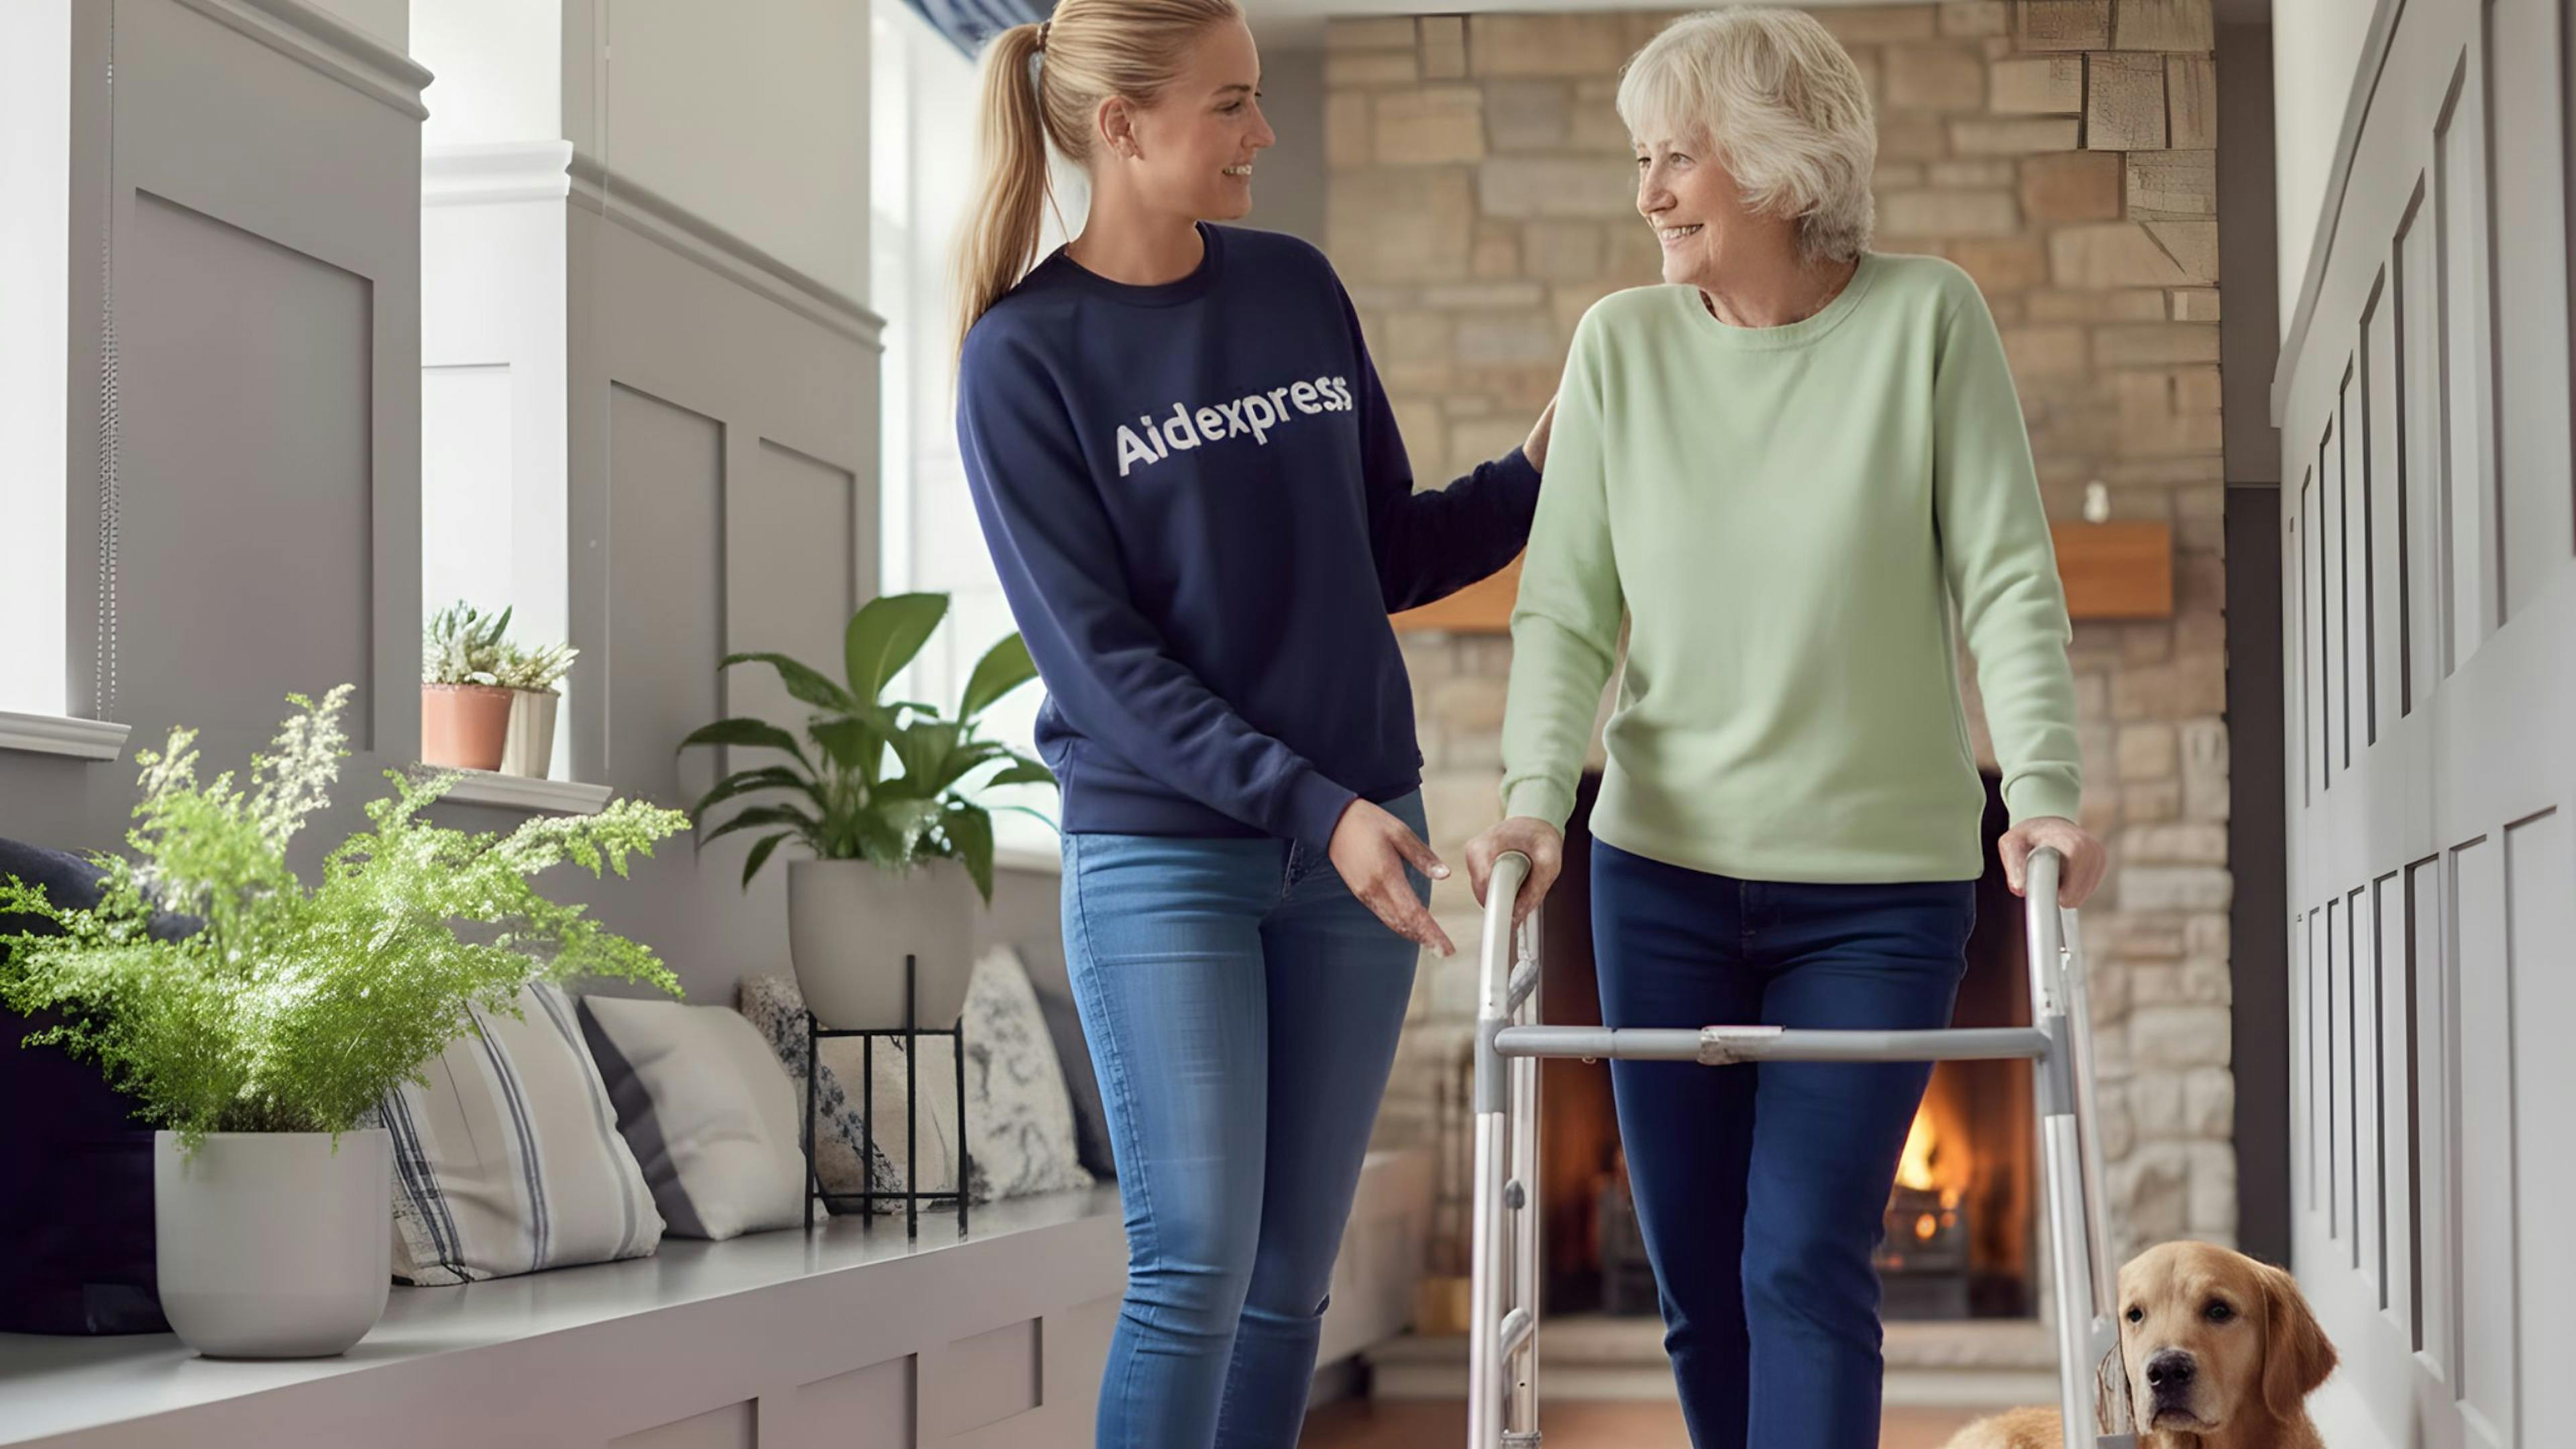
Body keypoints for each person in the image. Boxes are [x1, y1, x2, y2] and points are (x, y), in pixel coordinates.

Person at [1462, 10, 2107, 1448]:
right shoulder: (1619, 348)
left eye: (1675, 159)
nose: (1648, 196)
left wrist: (2043, 792)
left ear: (1775, 160)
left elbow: (2008, 576)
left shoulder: (1929, 319)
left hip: (1882, 893)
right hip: (1658, 878)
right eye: (1643, 161)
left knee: (1802, 1262)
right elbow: (1567, 613)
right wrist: (1524, 798)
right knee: (1698, 1287)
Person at [951, 2, 1552, 1443]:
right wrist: (1319, 807)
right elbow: (1104, 668)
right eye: (1231, 105)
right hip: (1172, 861)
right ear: (1123, 124)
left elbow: (1388, 550)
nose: (1262, 136)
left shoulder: (1294, 288)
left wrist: (1542, 463)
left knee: (1291, 1284)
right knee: (1195, 1268)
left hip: (1360, 852)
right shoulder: (1024, 359)